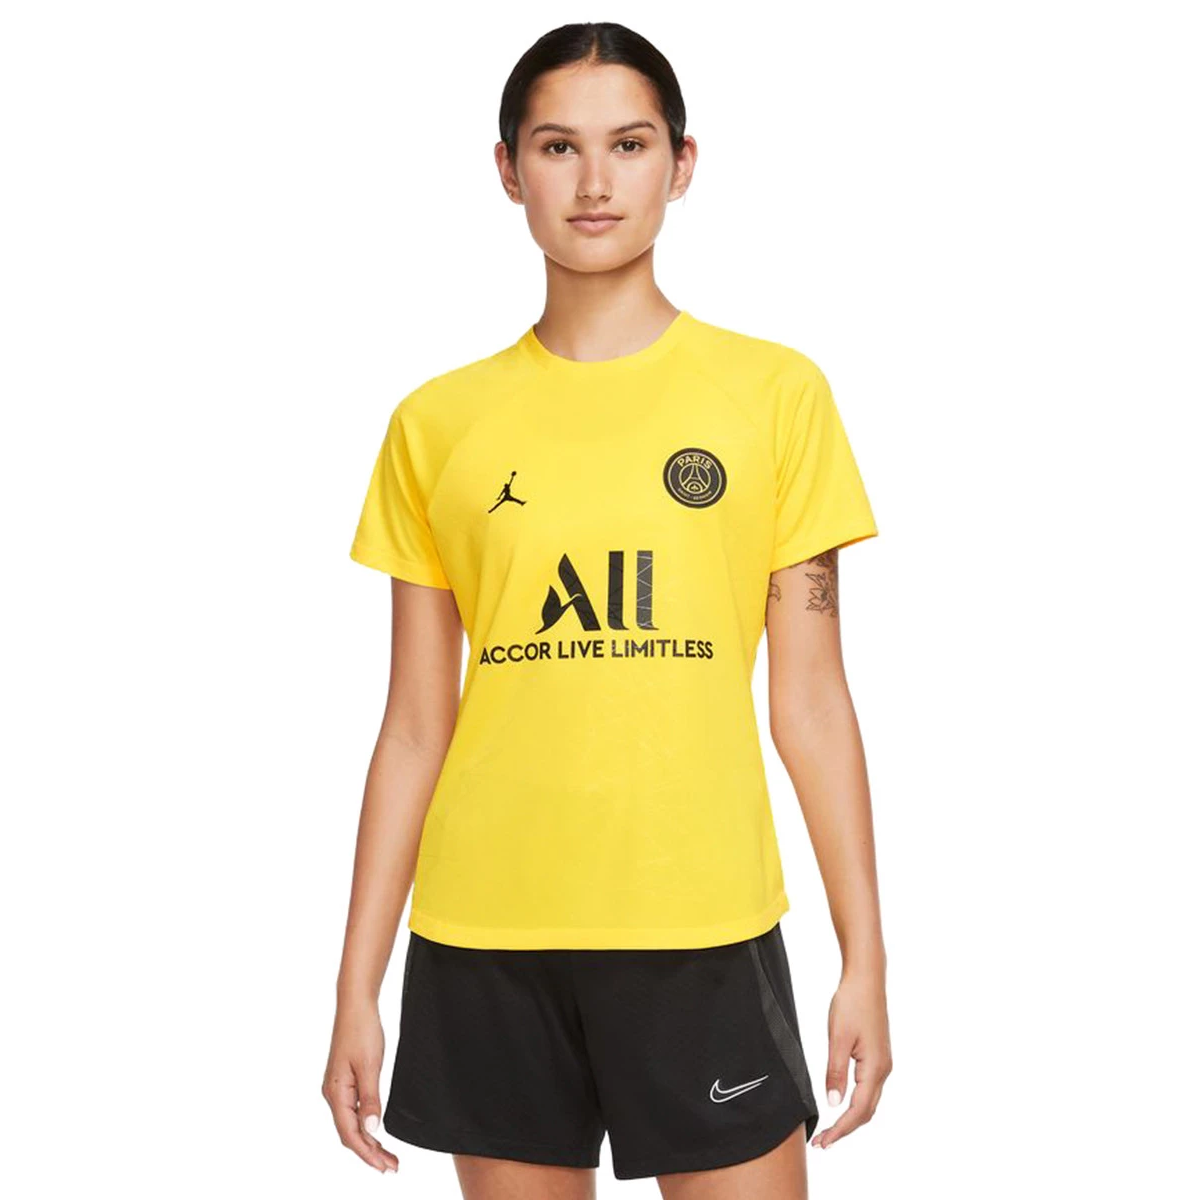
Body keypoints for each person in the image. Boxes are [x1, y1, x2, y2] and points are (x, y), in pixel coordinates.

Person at [321, 20, 892, 1198]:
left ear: (682, 165)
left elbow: (813, 702)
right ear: (507, 169)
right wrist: (354, 988)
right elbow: (417, 725)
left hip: (702, 925)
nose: (594, 182)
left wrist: (865, 957)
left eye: (628, 145)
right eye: (557, 147)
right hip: (484, 937)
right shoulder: (436, 424)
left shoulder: (776, 396)